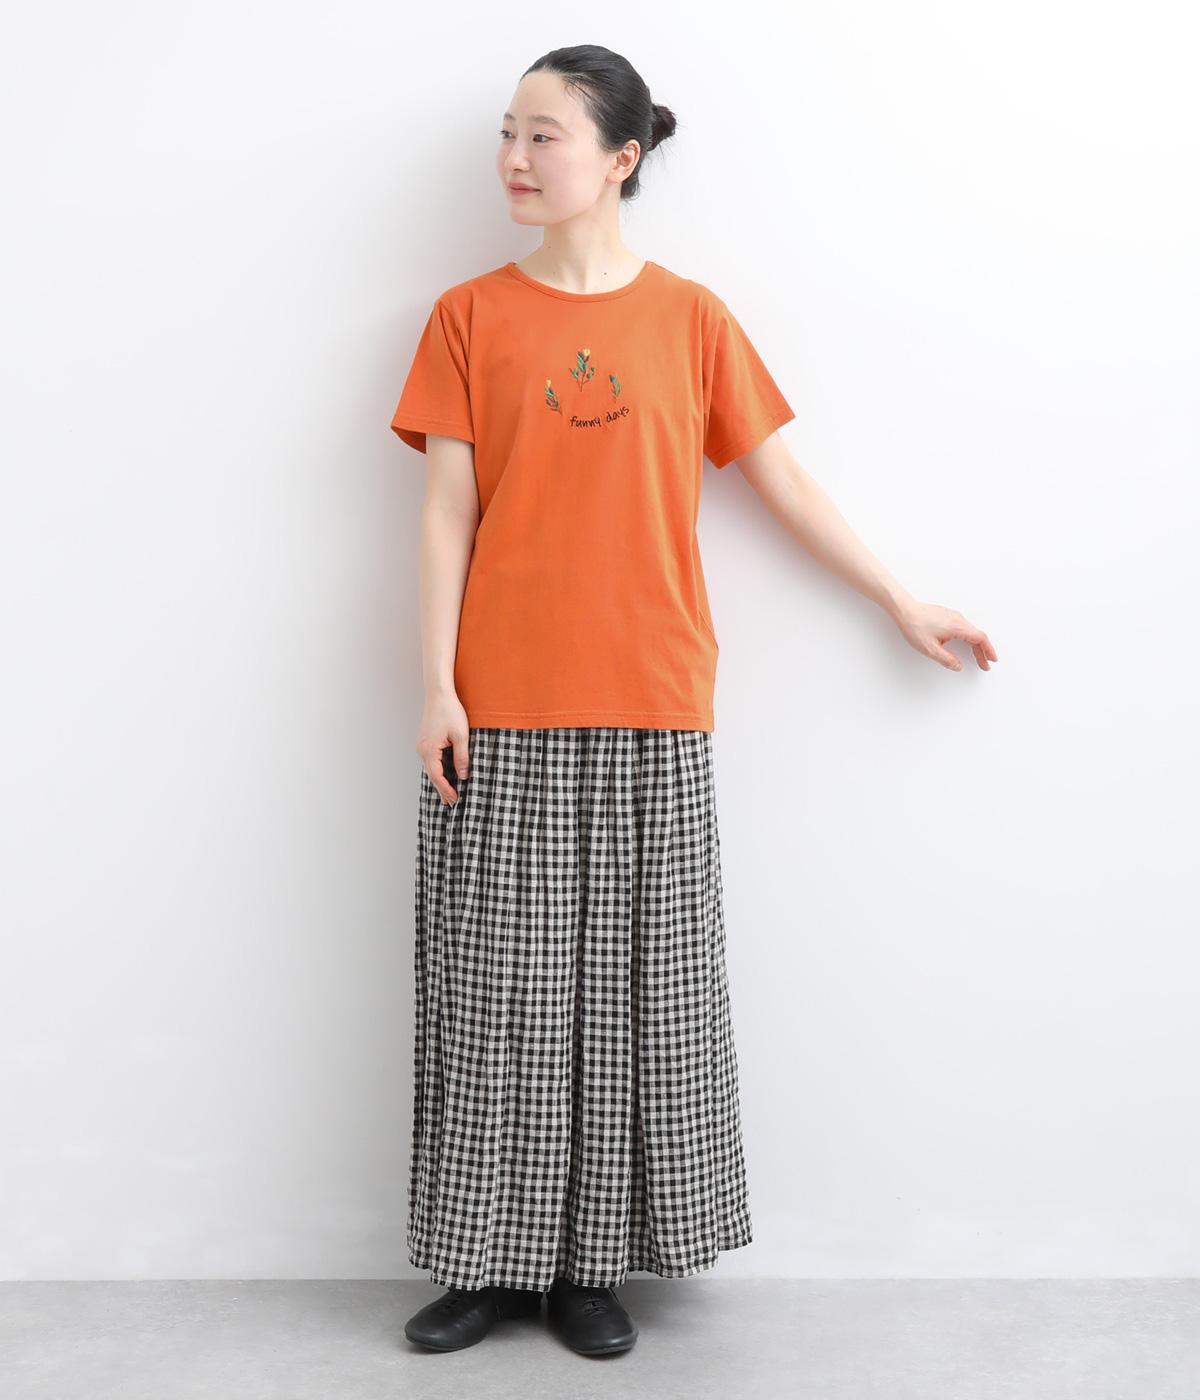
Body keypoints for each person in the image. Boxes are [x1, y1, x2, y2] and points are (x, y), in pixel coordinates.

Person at [388, 45, 997, 1359]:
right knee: (495, 1000)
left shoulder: (693, 319)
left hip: (653, 695)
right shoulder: (467, 315)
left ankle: (590, 1269)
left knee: (629, 1001)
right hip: (499, 703)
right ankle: (484, 1262)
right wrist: (435, 684)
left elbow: (782, 480)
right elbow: (445, 514)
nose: (513, 157)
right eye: (507, 132)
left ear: (621, 158)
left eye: (543, 135)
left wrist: (899, 598)